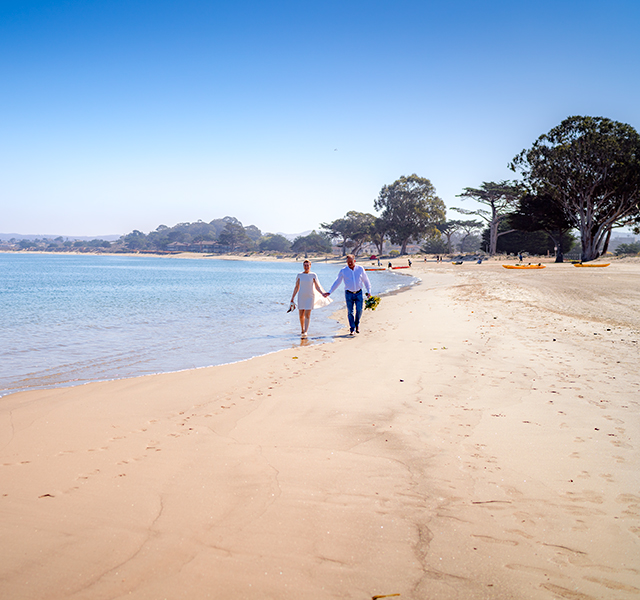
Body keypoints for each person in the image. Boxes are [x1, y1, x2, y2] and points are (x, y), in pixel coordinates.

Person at [324, 254, 371, 335]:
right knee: (350, 312)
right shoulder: (343, 271)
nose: (349, 263)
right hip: (349, 294)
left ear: (354, 261)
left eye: (351, 262)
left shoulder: (360, 269)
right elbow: (337, 282)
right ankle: (352, 329)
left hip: (359, 293)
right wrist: (330, 291)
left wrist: (369, 290)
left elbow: (366, 280)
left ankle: (357, 324)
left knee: (359, 310)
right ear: (346, 262)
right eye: (348, 262)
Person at [290, 260, 331, 336]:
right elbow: (296, 287)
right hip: (301, 296)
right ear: (303, 266)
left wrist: (322, 293)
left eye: (307, 265)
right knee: (301, 314)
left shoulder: (313, 275)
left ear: (310, 266)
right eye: (305, 265)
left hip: (310, 297)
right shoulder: (299, 275)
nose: (306, 267)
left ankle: (305, 331)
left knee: (307, 314)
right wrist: (292, 297)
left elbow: (317, 286)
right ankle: (302, 329)